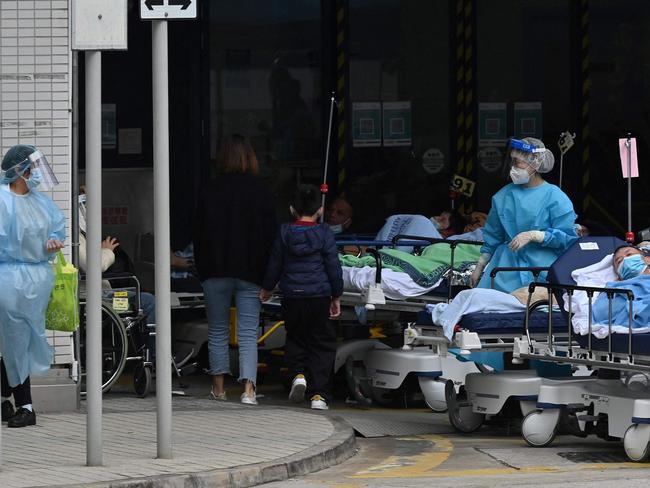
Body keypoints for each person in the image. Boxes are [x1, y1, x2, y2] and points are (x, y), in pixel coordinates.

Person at [193, 134, 277, 405]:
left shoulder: (209, 190)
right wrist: (269, 277)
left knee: (217, 330)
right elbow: (270, 237)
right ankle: (249, 391)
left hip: (215, 270)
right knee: (248, 332)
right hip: (251, 272)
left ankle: (218, 389)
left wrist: (201, 268)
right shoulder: (262, 191)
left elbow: (199, 234)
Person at [260, 185, 343, 410]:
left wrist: (267, 288)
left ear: (291, 209)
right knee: (322, 344)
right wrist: (336, 295)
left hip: (292, 296)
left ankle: (298, 375)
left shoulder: (284, 232)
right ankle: (319, 396)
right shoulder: (325, 232)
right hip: (318, 296)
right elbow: (333, 266)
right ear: (320, 210)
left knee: (296, 337)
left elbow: (275, 263)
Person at [0, 144, 65, 427]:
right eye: (30, 169)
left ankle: (4, 400)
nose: (35, 174)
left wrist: (52, 244)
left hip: (36, 280)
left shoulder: (42, 203)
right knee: (15, 342)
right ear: (18, 171)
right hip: (9, 279)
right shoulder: (2, 201)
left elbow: (55, 230)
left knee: (19, 343)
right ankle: (25, 405)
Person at [470, 137, 578, 293]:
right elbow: (493, 235)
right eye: (512, 161)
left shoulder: (555, 197)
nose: (513, 167)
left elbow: (568, 238)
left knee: (538, 312)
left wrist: (537, 235)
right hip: (505, 270)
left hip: (542, 269)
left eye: (518, 162)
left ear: (535, 163)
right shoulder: (503, 196)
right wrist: (481, 264)